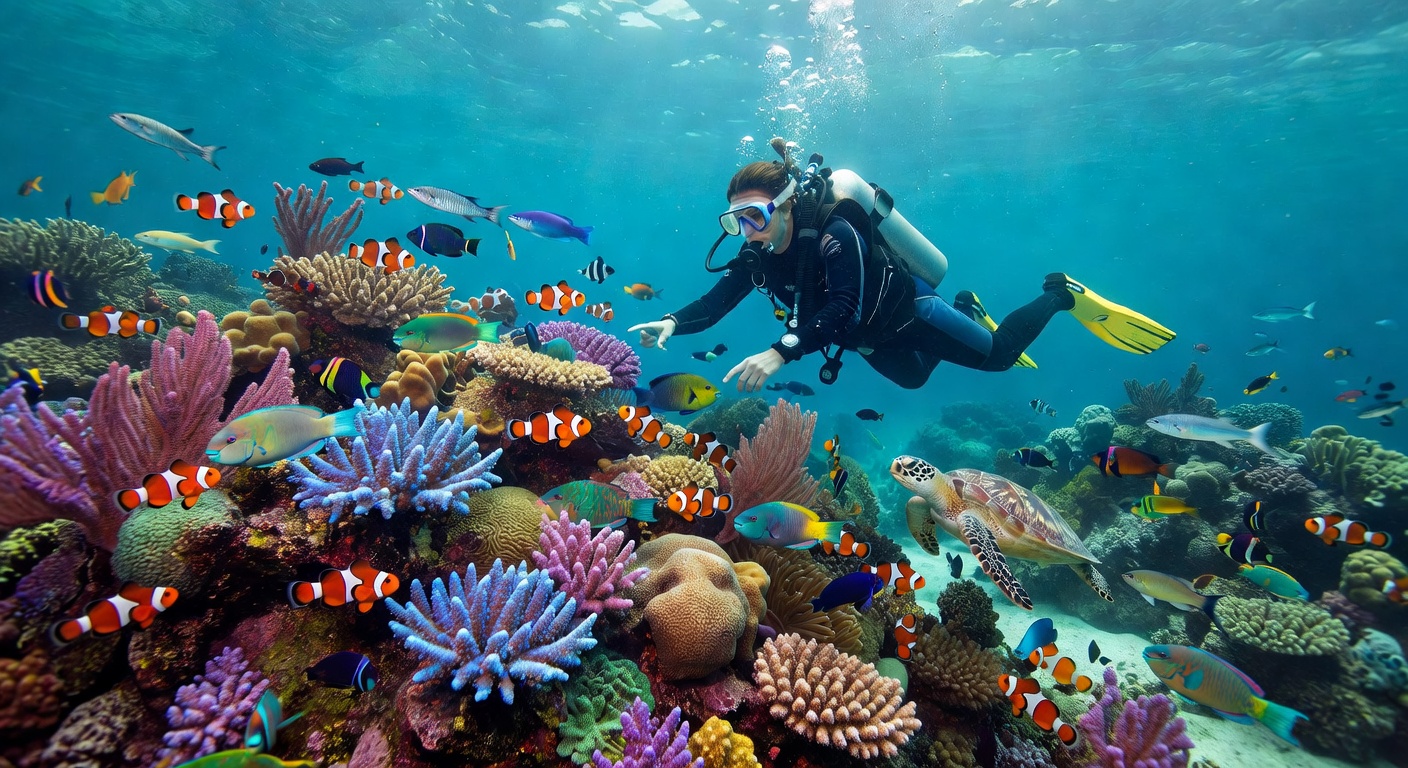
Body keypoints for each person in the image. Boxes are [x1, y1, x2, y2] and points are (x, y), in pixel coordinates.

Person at [628, 150, 1175, 392]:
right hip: (864, 338)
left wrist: (780, 352)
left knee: (1000, 359)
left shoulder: (835, 232)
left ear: (787, 204)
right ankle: (969, 309)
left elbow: (842, 306)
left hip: (907, 311)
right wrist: (673, 322)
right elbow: (718, 300)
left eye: (755, 216)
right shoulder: (758, 253)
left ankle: (1060, 294)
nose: (746, 231)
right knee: (914, 378)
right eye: (735, 220)